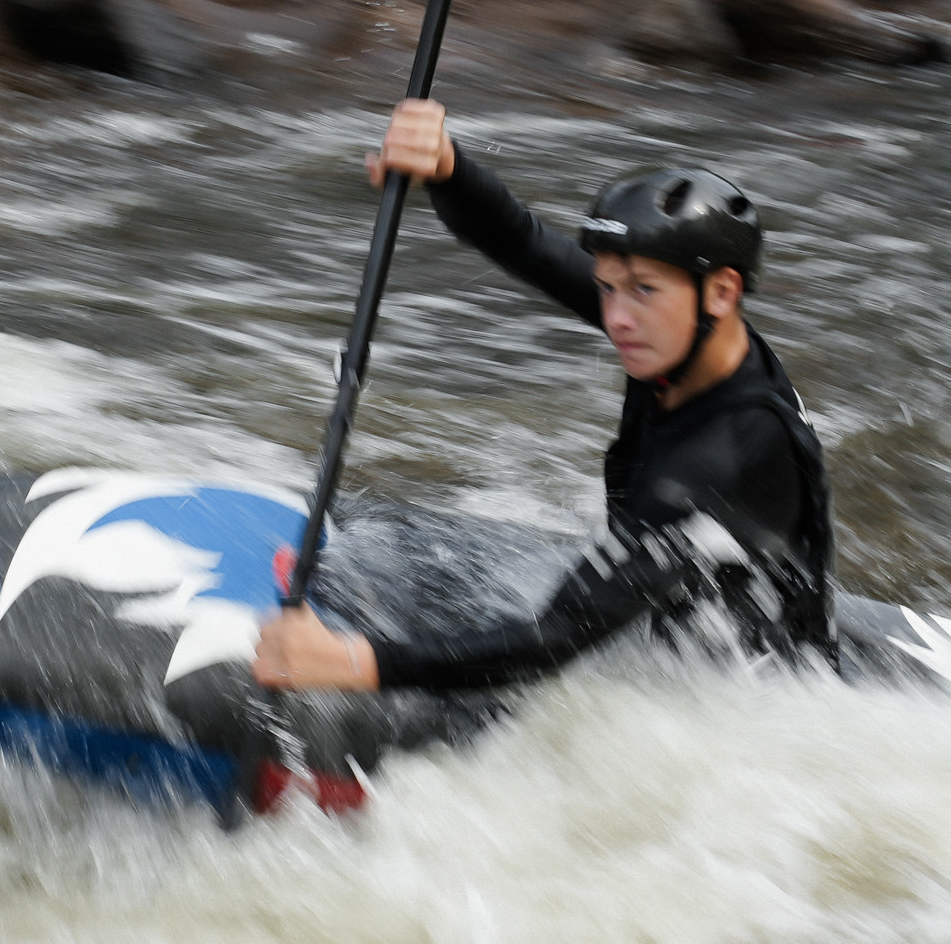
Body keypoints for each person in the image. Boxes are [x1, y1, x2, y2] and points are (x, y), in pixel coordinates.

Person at [253, 99, 836, 694]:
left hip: (740, 698)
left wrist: (351, 663)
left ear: (722, 291)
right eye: (607, 288)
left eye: (641, 291)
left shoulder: (721, 454)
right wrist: (448, 167)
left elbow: (551, 640)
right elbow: (523, 241)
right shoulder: (679, 331)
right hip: (677, 615)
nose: (617, 317)